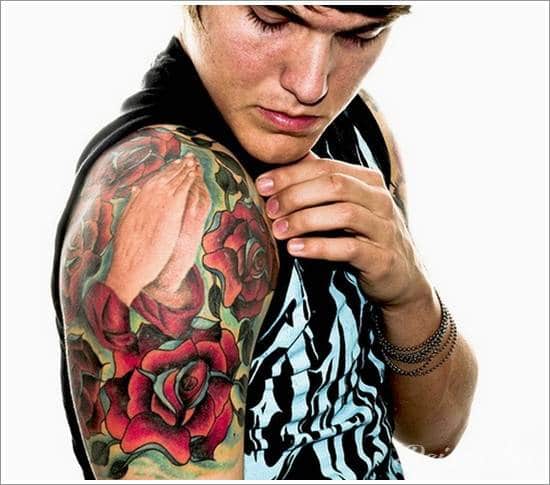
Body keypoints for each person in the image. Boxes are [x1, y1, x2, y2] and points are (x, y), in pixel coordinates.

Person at [51, 5, 478, 480]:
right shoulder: (182, 192)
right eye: (272, 19)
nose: (311, 86)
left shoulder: (358, 125)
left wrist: (409, 294)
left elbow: (438, 433)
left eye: (360, 36)